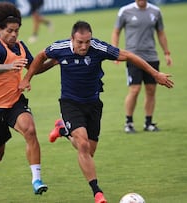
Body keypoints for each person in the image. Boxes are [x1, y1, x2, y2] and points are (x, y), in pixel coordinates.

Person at [18, 21, 174, 203]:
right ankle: (97, 192)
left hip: (93, 105)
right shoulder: (59, 47)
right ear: (72, 39)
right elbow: (40, 56)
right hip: (70, 104)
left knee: (88, 151)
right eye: (80, 42)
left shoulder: (98, 48)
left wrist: (155, 74)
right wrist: (27, 78)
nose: (84, 46)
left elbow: (129, 55)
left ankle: (62, 130)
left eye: (87, 42)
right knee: (83, 145)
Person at [0, 2, 55, 194]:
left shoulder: (21, 47)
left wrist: (55, 61)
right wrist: (11, 66)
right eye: (9, 31)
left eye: (16, 31)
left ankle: (36, 180)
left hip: (15, 102)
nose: (14, 35)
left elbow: (35, 67)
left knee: (30, 130)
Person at [111, 0, 173, 134]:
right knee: (135, 89)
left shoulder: (156, 11)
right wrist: (114, 52)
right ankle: (129, 122)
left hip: (151, 57)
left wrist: (166, 53)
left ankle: (149, 122)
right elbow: (116, 32)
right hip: (133, 57)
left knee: (151, 90)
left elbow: (161, 33)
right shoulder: (125, 11)